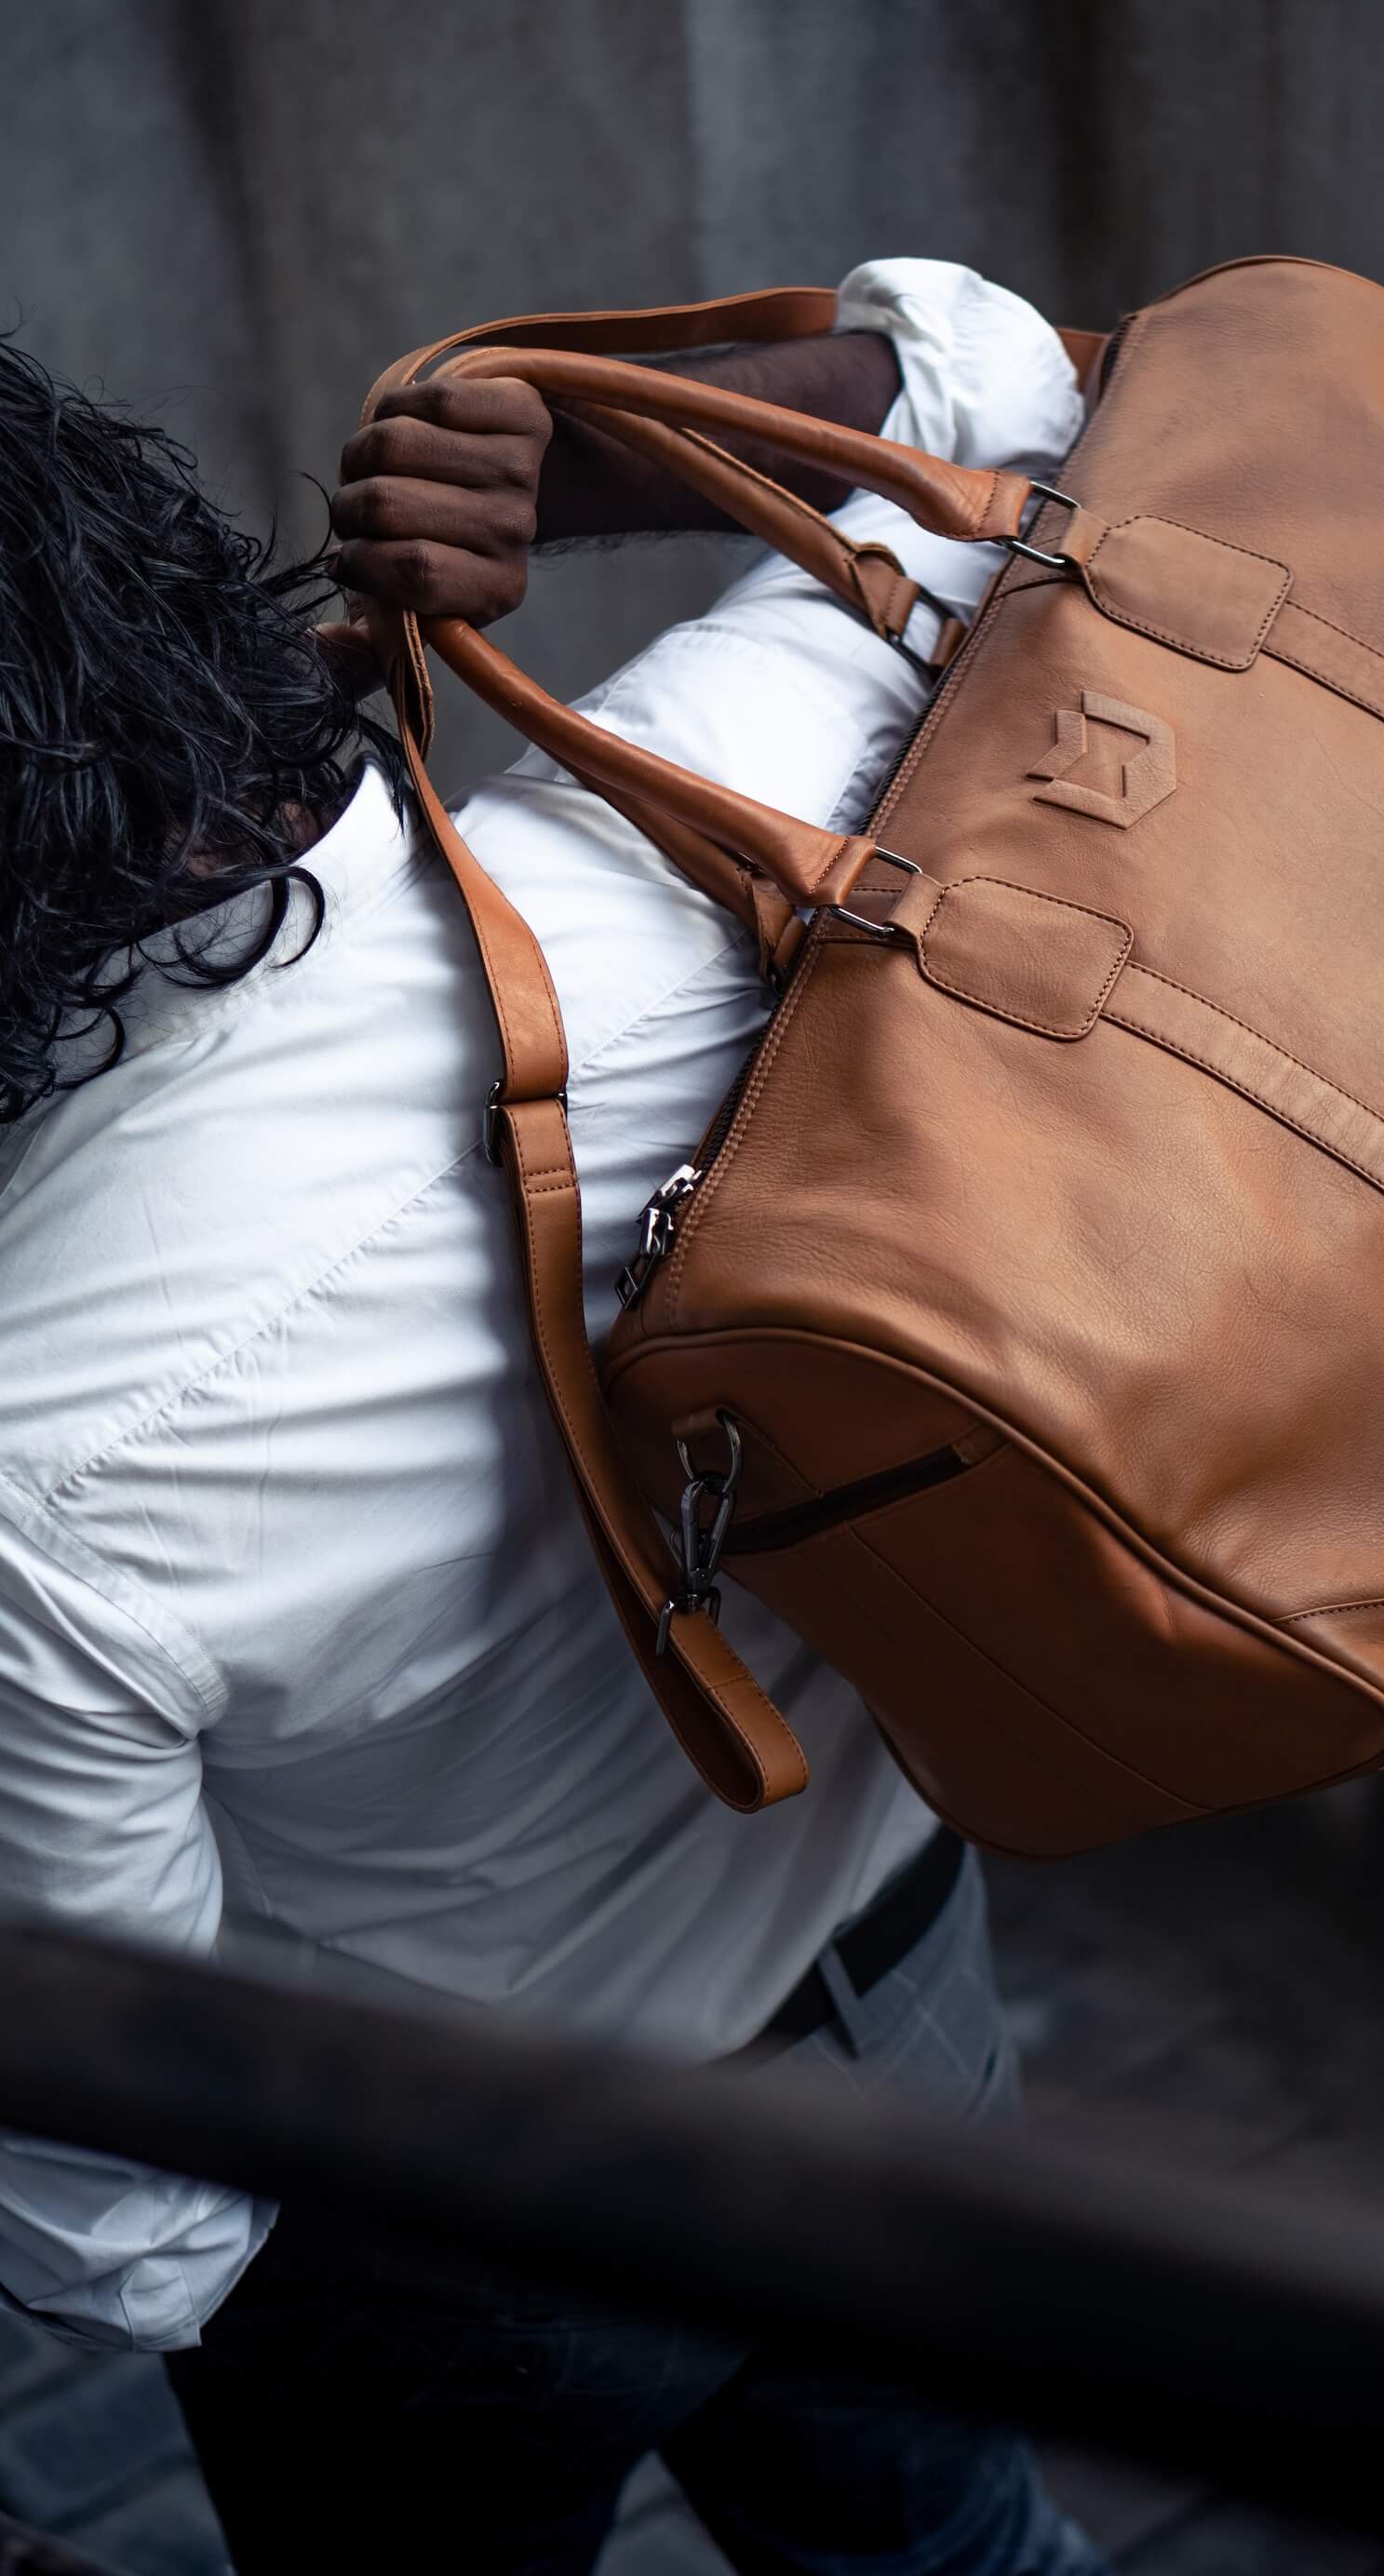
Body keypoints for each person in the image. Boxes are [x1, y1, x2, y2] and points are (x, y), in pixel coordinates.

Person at [0, 260, 1102, 2574]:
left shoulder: (33, 1466)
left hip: (467, 2225)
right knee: (958, 2544)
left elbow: (128, 2208)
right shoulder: (737, 796)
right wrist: (580, 450)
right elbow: (1028, 385)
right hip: (903, 1988)